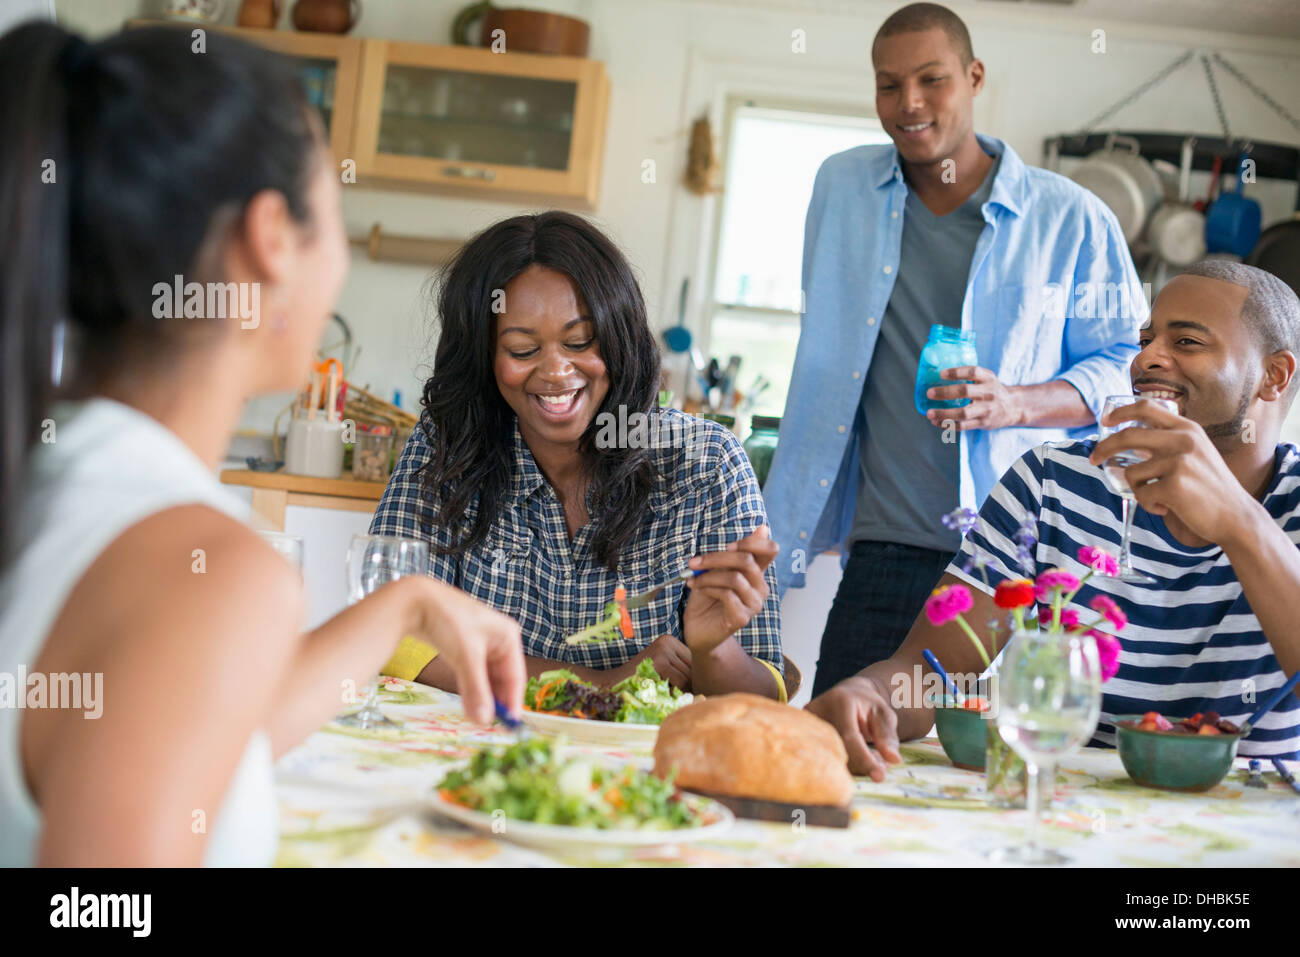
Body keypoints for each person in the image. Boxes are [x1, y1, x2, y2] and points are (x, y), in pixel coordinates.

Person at [0, 23, 526, 866]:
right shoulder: (199, 565)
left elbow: (197, 731)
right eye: (335, 213)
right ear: (271, 237)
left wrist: (404, 605)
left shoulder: (54, 475)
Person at [762, 1, 1142, 696]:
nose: (908, 103)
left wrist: (1017, 401)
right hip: (886, 549)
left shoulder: (1071, 217)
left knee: (1005, 771)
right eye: (887, 84)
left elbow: (1131, 368)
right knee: (843, 750)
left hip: (1023, 559)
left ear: (973, 77)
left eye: (931, 79)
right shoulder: (842, 188)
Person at [807, 261, 1300, 775]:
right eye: (1147, 339)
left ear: (1274, 375)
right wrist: (872, 696)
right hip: (1072, 810)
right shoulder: (1054, 481)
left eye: (1187, 343)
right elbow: (931, 672)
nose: (1147, 358)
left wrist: (1240, 521)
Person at [369, 212, 787, 700]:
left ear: (619, 337)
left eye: (580, 342)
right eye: (522, 348)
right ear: (483, 356)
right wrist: (594, 686)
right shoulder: (449, 443)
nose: (555, 371)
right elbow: (394, 634)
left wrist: (714, 650)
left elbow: (762, 697)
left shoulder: (707, 462)